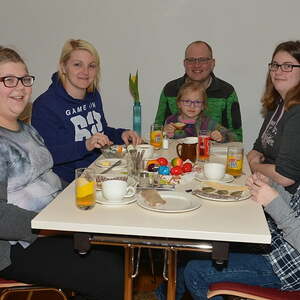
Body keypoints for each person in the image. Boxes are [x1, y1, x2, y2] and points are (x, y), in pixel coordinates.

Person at [0, 46, 124, 300]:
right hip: (19, 244)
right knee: (109, 273)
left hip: (52, 223)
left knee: (117, 245)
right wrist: (53, 222)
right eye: (8, 80)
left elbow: (50, 176)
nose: (20, 87)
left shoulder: (25, 130)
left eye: (24, 79)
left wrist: (84, 192)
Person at [32, 39, 141, 184]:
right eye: (77, 65)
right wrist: (86, 145)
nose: (85, 72)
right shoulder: (45, 105)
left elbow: (101, 131)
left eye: (91, 66)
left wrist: (121, 134)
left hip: (100, 171)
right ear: (63, 67)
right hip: (69, 182)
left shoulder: (93, 95)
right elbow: (49, 155)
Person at [183, 172, 300, 299]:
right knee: (194, 249)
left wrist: (274, 203)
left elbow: (288, 218)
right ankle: (163, 294)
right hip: (272, 244)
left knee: (195, 271)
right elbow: (294, 205)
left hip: (283, 268)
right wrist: (271, 187)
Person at [154, 40, 243, 141]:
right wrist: (164, 132)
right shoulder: (170, 90)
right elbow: (157, 130)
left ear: (212, 63)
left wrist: (221, 136)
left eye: (203, 60)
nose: (197, 65)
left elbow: (237, 137)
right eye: (191, 60)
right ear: (185, 63)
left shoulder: (227, 92)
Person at [247, 40, 300, 194]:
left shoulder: (297, 113)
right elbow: (257, 149)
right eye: (275, 65)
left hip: (287, 204)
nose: (278, 71)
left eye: (287, 66)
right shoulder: (277, 105)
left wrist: (254, 165)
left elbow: (285, 176)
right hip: (267, 188)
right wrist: (255, 160)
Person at [163, 81, 236, 142]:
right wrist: (165, 133)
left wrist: (221, 136)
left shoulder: (208, 123)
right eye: (187, 101)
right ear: (179, 103)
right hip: (175, 156)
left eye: (197, 102)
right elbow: (160, 140)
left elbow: (232, 136)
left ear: (203, 106)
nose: (192, 106)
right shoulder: (171, 121)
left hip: (202, 157)